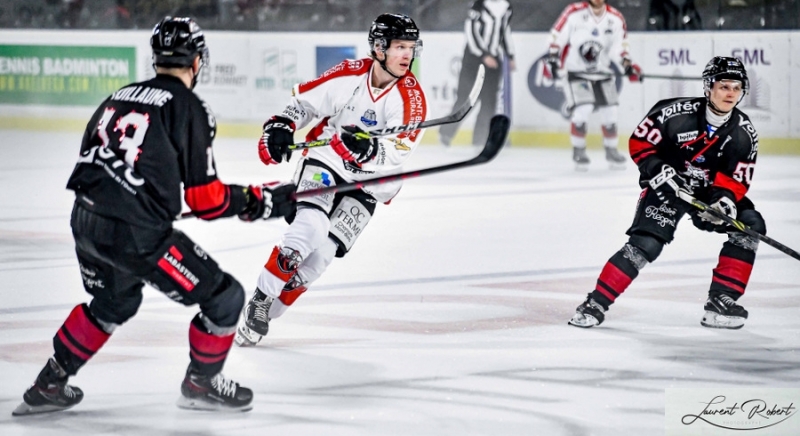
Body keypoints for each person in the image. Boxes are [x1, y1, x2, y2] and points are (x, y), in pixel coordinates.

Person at [12, 17, 296, 416]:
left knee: (114, 303)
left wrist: (144, 198)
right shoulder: (190, 107)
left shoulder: (120, 95)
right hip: (137, 235)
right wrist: (261, 201)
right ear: (197, 61)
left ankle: (48, 383)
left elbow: (96, 163)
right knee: (226, 298)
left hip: (85, 221)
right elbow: (207, 201)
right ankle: (202, 384)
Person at [235, 13, 428, 346]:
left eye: (411, 47)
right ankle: (261, 298)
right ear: (379, 48)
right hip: (328, 162)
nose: (407, 55)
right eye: (399, 47)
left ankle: (273, 308)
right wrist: (281, 124)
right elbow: (304, 103)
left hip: (371, 182)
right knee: (310, 229)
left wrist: (368, 150)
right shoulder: (350, 74)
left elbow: (398, 153)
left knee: (321, 256)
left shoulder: (412, 99)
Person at [568, 56, 765, 330]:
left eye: (736, 87)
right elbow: (640, 142)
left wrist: (725, 200)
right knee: (646, 244)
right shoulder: (674, 113)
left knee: (750, 226)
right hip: (666, 186)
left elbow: (736, 178)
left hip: (707, 192)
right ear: (708, 87)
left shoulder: (744, 133)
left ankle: (721, 300)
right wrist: (657, 168)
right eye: (724, 86)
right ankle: (595, 303)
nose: (731, 93)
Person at [545, 0, 642, 170]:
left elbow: (620, 47)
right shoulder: (573, 12)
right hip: (577, 73)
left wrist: (626, 64)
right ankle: (579, 149)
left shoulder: (616, 18)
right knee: (583, 108)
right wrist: (553, 56)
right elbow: (556, 35)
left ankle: (611, 150)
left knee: (610, 112)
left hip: (603, 73)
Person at [439, 0, 515, 147]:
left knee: (489, 103)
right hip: (473, 60)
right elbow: (471, 31)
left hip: (493, 61)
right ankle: (446, 132)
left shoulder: (506, 7)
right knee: (465, 99)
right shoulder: (478, 5)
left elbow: (505, 31)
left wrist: (510, 55)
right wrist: (483, 54)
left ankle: (480, 139)